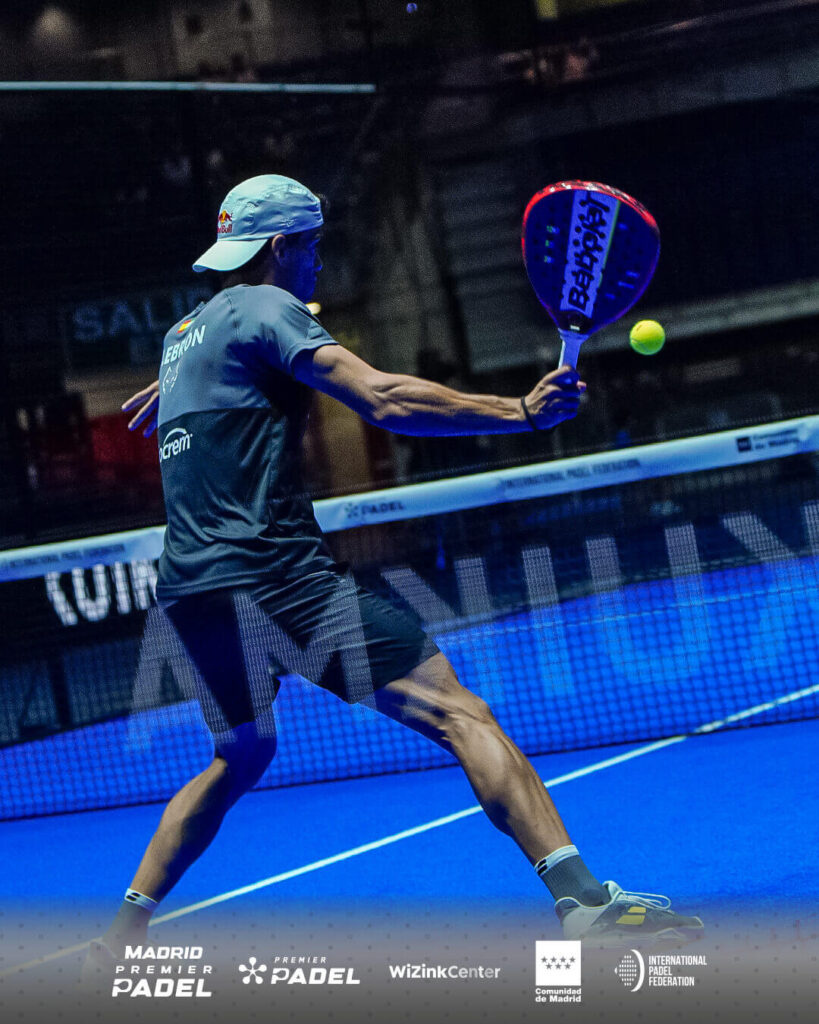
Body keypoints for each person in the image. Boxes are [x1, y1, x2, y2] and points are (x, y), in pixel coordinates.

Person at [84, 175, 702, 981]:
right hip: (273, 572)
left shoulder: (184, 336)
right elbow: (381, 398)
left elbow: (221, 372)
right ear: (282, 247)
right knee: (458, 712)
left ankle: (119, 938)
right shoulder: (269, 307)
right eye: (313, 246)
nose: (317, 263)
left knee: (240, 754)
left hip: (189, 590)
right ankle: (583, 903)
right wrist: (517, 411)